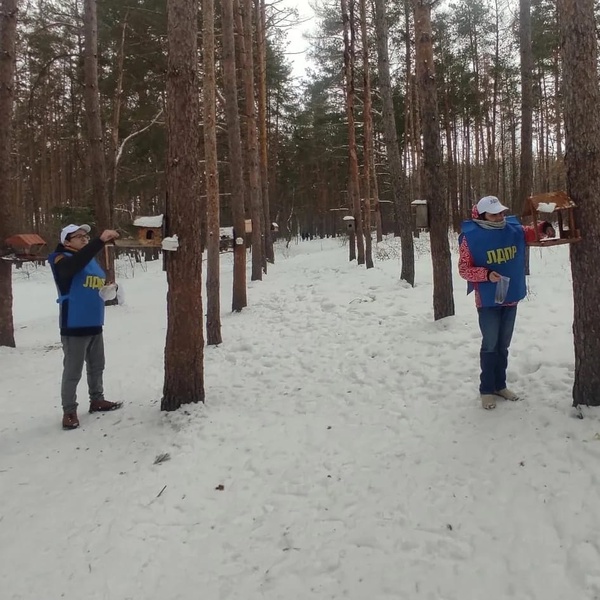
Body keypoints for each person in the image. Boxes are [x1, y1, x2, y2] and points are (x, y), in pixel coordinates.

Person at [458, 196, 554, 410]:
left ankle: (500, 385)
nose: (500, 217)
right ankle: (486, 389)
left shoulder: (513, 229)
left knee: (503, 345)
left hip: (510, 298)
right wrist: (486, 274)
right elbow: (464, 269)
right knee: (490, 345)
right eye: (494, 214)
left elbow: (531, 231)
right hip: (488, 301)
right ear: (482, 216)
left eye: (501, 213)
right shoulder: (470, 238)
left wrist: (545, 226)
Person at [49, 224, 122, 430]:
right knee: (73, 370)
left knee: (97, 365)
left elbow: (91, 282)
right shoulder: (59, 258)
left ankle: (97, 399)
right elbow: (70, 270)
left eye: (86, 236)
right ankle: (69, 411)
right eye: (78, 236)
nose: (84, 239)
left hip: (94, 321)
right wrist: (100, 241)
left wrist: (107, 289)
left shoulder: (90, 260)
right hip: (74, 323)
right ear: (67, 241)